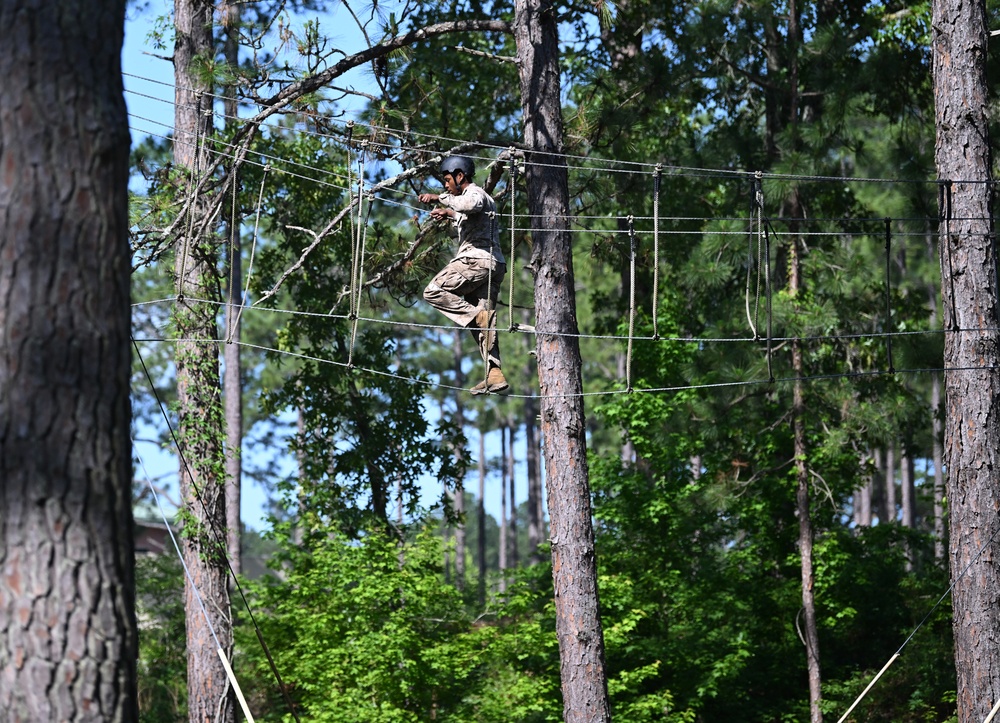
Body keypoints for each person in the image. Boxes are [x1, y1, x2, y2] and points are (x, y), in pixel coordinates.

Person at [419, 155, 509, 395]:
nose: (446, 185)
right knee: (484, 325)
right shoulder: (475, 200)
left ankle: (476, 316)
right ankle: (495, 373)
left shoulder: (476, 193)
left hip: (476, 261)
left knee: (433, 291)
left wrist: (441, 198)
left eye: (448, 180)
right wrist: (447, 213)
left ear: (460, 176)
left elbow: (472, 204)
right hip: (493, 266)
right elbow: (466, 214)